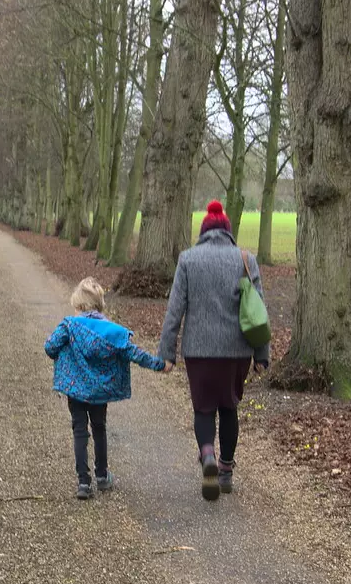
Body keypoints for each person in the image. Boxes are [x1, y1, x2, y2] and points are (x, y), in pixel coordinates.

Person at [159, 200, 269, 500]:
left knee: (204, 408)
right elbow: (258, 311)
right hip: (237, 351)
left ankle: (207, 453)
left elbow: (175, 309)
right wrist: (262, 354)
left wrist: (166, 352)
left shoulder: (188, 259)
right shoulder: (246, 259)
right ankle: (225, 471)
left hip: (199, 350)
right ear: (228, 232)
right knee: (229, 407)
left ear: (204, 231)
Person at [45, 278, 167, 499]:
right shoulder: (113, 332)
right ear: (99, 303)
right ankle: (102, 476)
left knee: (79, 430)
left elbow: (50, 347)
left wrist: (65, 352)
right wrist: (160, 365)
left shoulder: (69, 326)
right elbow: (135, 354)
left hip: (76, 388)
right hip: (100, 391)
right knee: (99, 427)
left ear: (79, 305)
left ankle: (83, 482)